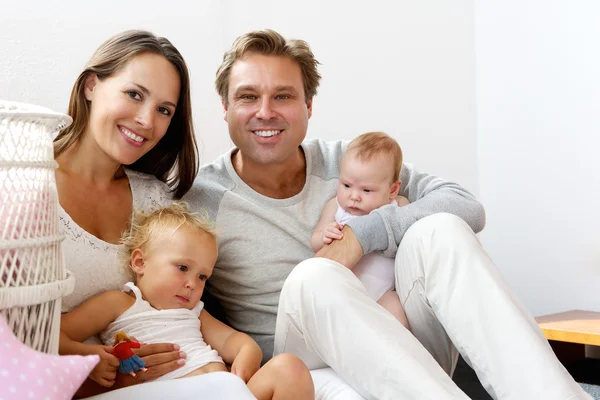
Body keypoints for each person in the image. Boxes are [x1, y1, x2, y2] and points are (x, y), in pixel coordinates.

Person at [183, 29, 591, 399]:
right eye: (248, 96)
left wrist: (364, 234)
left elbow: (466, 205)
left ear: (308, 105)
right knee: (314, 276)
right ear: (225, 107)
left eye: (284, 96)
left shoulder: (350, 161)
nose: (265, 111)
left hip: (405, 345)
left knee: (440, 228)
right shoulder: (202, 197)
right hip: (306, 369)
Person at [53, 30, 257, 398]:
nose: (147, 120)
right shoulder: (23, 185)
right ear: (90, 86)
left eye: (164, 110)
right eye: (134, 94)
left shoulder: (155, 200)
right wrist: (91, 365)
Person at [60, 203, 314, 400]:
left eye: (202, 276)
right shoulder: (118, 303)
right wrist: (88, 357)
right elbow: (54, 336)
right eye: (182, 267)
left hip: (224, 390)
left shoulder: (193, 310)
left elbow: (231, 341)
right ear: (140, 262)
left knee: (290, 369)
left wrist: (249, 352)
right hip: (171, 392)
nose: (193, 283)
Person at [311, 131, 410, 328]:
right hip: (343, 295)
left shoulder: (398, 207)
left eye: (366, 190)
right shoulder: (336, 207)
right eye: (346, 185)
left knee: (397, 312)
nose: (354, 196)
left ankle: (400, 352)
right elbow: (314, 241)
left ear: (392, 190)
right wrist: (325, 235)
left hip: (382, 296)